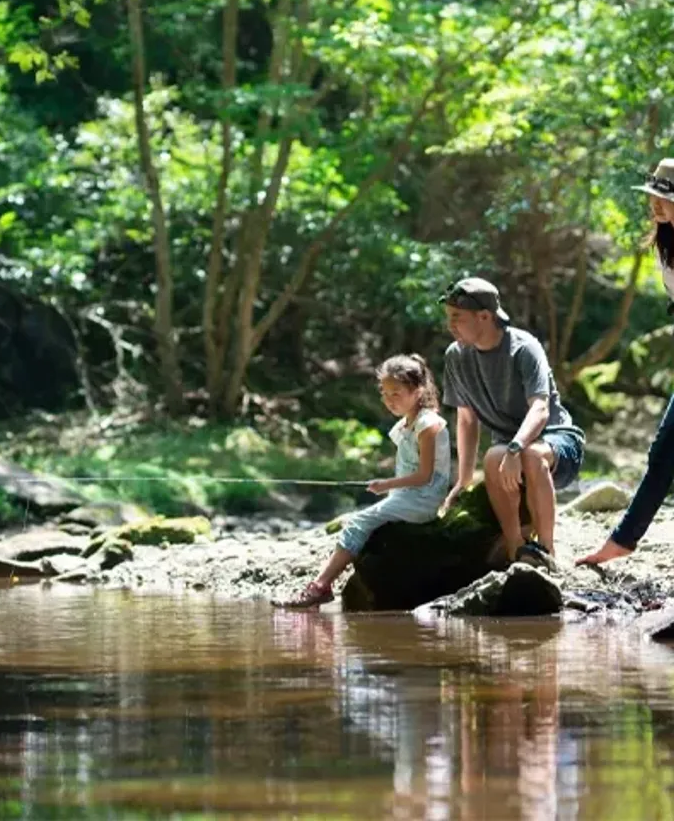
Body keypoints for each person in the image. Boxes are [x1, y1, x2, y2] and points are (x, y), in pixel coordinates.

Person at [274, 354, 451, 609]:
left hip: (424, 499)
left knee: (358, 521)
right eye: (385, 393)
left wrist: (386, 484)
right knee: (362, 521)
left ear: (418, 391)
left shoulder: (428, 424)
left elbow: (425, 476)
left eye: (396, 394)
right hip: (407, 496)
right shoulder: (406, 424)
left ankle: (320, 587)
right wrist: (390, 488)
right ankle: (322, 585)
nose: (389, 401)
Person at [438, 277, 585, 568]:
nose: (450, 325)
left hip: (557, 441)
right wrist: (464, 479)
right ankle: (516, 548)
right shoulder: (456, 356)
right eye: (449, 318)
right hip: (507, 451)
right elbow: (466, 419)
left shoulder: (524, 347)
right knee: (493, 456)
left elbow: (540, 409)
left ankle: (547, 551)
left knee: (529, 455)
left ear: (484, 316)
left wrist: (516, 448)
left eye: (457, 317)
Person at [578, 159, 674, 566]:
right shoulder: (664, 244)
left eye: (665, 198)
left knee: (665, 451)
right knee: (663, 453)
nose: (655, 204)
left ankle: (623, 539)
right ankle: (623, 539)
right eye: (654, 196)